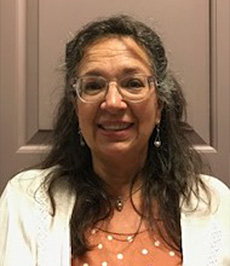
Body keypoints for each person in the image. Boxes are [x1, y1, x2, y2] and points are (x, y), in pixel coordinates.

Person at [0, 15, 229, 266]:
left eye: (133, 84)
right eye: (94, 86)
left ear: (160, 107)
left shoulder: (214, 203)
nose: (112, 102)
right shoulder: (26, 201)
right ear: (76, 107)